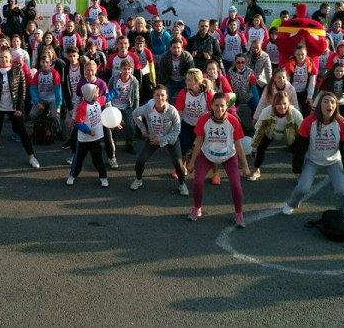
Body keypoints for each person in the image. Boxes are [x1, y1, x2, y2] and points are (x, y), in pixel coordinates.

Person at [283, 92, 344, 217]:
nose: (329, 104)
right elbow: (300, 148)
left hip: (334, 161)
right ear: (320, 105)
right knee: (302, 189)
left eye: (332, 102)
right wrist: (297, 168)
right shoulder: (309, 122)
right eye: (325, 101)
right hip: (312, 160)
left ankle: (342, 211)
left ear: (336, 106)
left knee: (343, 193)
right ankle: (292, 203)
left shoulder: (343, 123)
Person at [186, 93, 250, 227]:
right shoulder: (203, 120)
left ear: (227, 106)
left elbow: (238, 144)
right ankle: (197, 208)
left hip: (228, 156)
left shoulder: (233, 120)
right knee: (197, 183)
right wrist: (191, 163)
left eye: (222, 106)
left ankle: (238, 214)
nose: (219, 109)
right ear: (211, 105)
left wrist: (245, 166)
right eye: (216, 105)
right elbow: (198, 143)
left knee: (236, 185)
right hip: (207, 154)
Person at [0, 48, 40, 169]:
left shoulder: (17, 70)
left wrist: (20, 108)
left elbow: (22, 91)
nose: (4, 59)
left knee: (23, 133)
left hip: (14, 108)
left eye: (6, 57)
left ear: (10, 58)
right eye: (1, 57)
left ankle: (31, 156)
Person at [129, 83, 186, 194]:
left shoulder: (172, 110)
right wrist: (143, 129)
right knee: (140, 161)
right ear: (153, 96)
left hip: (170, 139)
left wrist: (161, 140)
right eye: (157, 95)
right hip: (153, 138)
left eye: (162, 95)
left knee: (178, 164)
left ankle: (182, 184)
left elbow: (177, 130)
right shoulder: (147, 107)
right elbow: (135, 114)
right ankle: (138, 180)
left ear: (167, 97)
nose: (160, 98)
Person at [248, 91, 303, 182]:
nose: (282, 107)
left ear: (289, 103)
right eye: (278, 104)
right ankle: (256, 169)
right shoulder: (266, 111)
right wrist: (254, 147)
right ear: (274, 104)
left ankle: (298, 173)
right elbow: (258, 129)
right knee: (260, 148)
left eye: (284, 103)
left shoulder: (295, 113)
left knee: (298, 152)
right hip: (270, 133)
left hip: (289, 135)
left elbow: (303, 130)